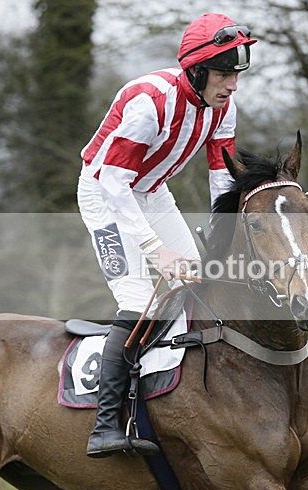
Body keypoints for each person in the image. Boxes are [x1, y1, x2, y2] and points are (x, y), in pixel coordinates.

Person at [77, 13, 257, 457]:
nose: (232, 85)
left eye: (236, 74)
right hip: (105, 192)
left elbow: (222, 179)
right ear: (196, 71)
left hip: (152, 192)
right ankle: (104, 425)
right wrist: (154, 249)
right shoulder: (149, 103)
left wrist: (224, 242)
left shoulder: (223, 108)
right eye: (223, 74)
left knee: (195, 281)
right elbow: (114, 183)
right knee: (139, 297)